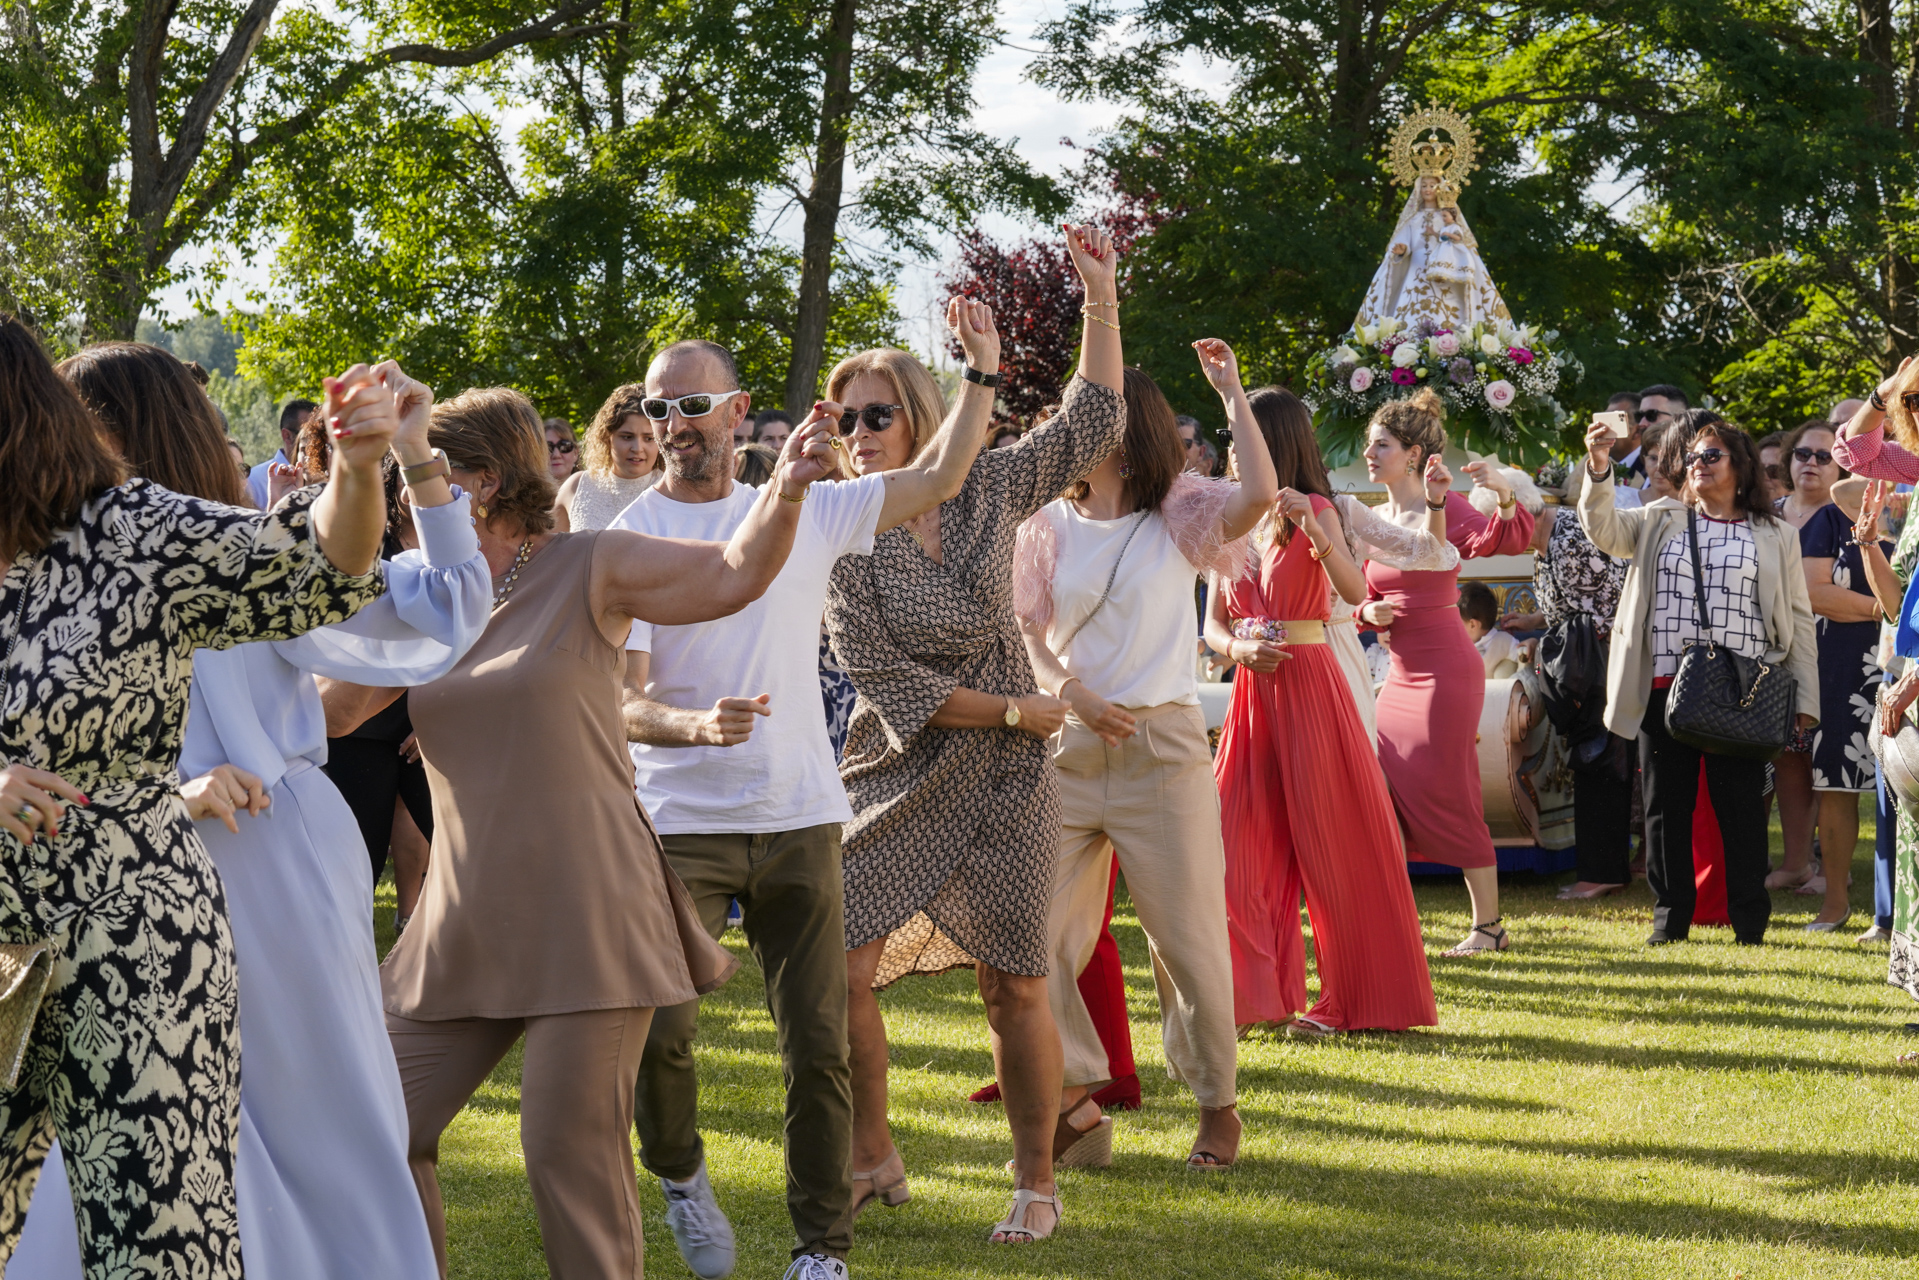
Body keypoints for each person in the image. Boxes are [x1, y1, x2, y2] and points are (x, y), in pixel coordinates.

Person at [13, 349, 486, 1280]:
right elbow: (452, 610)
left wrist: (414, 455)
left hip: (263, 852)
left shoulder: (236, 550)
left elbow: (448, 613)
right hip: (160, 864)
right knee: (150, 1134)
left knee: (309, 1125)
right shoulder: (60, 569)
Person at [361, 384, 834, 1280]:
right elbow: (331, 709)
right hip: (464, 915)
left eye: (417, 474)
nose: (396, 498)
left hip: (589, 907)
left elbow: (732, 574)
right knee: (380, 1124)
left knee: (563, 1154)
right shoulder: (429, 598)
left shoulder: (589, 563)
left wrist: (791, 488)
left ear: (482, 484)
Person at [611, 319, 1004, 1280]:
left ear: (738, 412)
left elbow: (940, 474)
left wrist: (980, 373)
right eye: (659, 408)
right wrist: (695, 727)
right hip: (680, 824)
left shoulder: (810, 510)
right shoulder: (625, 536)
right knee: (659, 1033)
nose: (673, 424)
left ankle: (821, 1248)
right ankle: (678, 1172)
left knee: (817, 1046)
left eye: (692, 405)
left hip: (798, 813)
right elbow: (620, 701)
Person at [824, 223, 1122, 1247]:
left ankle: (1034, 1181)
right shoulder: (838, 528)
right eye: (844, 416)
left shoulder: (990, 486)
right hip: (893, 768)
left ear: (915, 415)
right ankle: (872, 1153)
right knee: (840, 966)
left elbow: (1091, 419)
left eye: (875, 413)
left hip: (1003, 781)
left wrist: (1099, 298)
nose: (857, 430)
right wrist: (1012, 706)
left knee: (1016, 981)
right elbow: (882, 677)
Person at [1012, 343, 1275, 1170]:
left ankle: (1216, 1106)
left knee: (1185, 940)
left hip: (1161, 750)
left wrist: (1232, 393)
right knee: (1035, 939)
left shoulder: (1181, 511)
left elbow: (1262, 496)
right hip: (1067, 749)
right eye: (1068, 408)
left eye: (1089, 409)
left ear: (1126, 427)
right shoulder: (1042, 523)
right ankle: (1079, 1097)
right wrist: (1072, 694)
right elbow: (1027, 633)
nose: (1070, 423)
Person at [1206, 379, 1439, 1038]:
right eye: (1231, 434)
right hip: (1253, 694)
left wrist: (1314, 529)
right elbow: (1214, 628)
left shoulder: (1315, 508)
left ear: (1273, 442)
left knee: (1335, 849)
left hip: (1312, 685)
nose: (1232, 447)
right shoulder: (1227, 518)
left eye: (1242, 433)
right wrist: (1237, 650)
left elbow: (1346, 590)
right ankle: (1255, 997)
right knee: (1236, 848)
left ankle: (1349, 1002)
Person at [1578, 411, 1818, 946]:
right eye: (1693, 457)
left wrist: (1805, 697)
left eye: (1712, 455)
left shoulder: (1776, 533)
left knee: (1742, 812)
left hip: (1743, 690)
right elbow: (1603, 530)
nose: (1699, 464)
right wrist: (1598, 467)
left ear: (1741, 466)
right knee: (1667, 809)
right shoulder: (1656, 518)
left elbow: (1798, 618)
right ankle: (1670, 922)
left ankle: (1750, 924)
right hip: (1665, 686)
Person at [1358, 389, 1534, 954]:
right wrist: (1367, 611)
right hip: (1397, 673)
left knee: (1450, 790)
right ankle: (1387, 914)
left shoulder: (1445, 504)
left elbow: (1500, 540)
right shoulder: (1372, 516)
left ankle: (1489, 927)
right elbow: (1351, 590)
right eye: (1368, 445)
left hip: (1446, 672)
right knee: (1383, 786)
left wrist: (1504, 496)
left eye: (1379, 445)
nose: (1368, 453)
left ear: (1411, 454)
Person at [1506, 444, 1636, 900]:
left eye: (1500, 526)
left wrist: (1556, 637)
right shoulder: (1548, 540)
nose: (1497, 541)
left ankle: (1602, 872)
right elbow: (1578, 603)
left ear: (1522, 512)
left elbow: (1617, 598)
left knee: (1600, 761)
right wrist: (1536, 623)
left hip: (1600, 667)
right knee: (1594, 762)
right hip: (1585, 665)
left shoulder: (1572, 536)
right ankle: (1605, 866)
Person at [1770, 420, 1884, 929]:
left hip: (1911, 661)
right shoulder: (1831, 518)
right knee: (1837, 784)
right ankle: (1835, 904)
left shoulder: (1912, 510)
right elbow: (1815, 593)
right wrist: (1887, 611)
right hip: (1843, 665)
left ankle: (1893, 913)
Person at [554, 386, 662, 532]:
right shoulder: (577, 486)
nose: (637, 448)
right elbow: (550, 550)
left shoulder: (674, 491)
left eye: (649, 438)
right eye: (627, 437)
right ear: (607, 437)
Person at [247, 396, 319, 506]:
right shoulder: (254, 481)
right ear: (287, 436)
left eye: (320, 436)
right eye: (310, 435)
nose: (316, 443)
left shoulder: (334, 482)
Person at [1459, 581, 1520, 677]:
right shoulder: (1456, 648)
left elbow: (1534, 667)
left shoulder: (1505, 641)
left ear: (1473, 625)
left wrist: (1536, 669)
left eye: (1457, 623)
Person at [544, 417, 579, 483]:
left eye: (564, 446)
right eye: (548, 447)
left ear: (575, 453)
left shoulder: (594, 490)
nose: (556, 455)